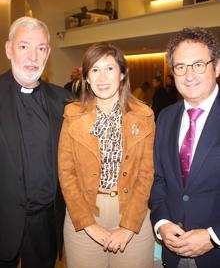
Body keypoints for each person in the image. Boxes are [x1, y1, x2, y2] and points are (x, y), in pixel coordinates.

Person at [58, 42, 155, 268]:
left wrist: (129, 226)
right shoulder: (72, 114)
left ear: (122, 74)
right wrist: (88, 224)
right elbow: (66, 172)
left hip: (133, 214)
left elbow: (146, 173)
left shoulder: (144, 115)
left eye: (109, 68)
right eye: (95, 70)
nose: (102, 77)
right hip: (83, 216)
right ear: (86, 79)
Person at [0, 16, 72, 268]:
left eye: (41, 48)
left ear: (48, 53)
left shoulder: (65, 101)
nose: (33, 57)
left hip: (46, 222)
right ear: (9, 49)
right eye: (24, 46)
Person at [149, 27, 220, 268]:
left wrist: (213, 236)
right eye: (180, 67)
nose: (189, 75)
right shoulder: (166, 117)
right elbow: (158, 179)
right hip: (174, 253)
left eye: (198, 64)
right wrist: (162, 223)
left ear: (217, 67)